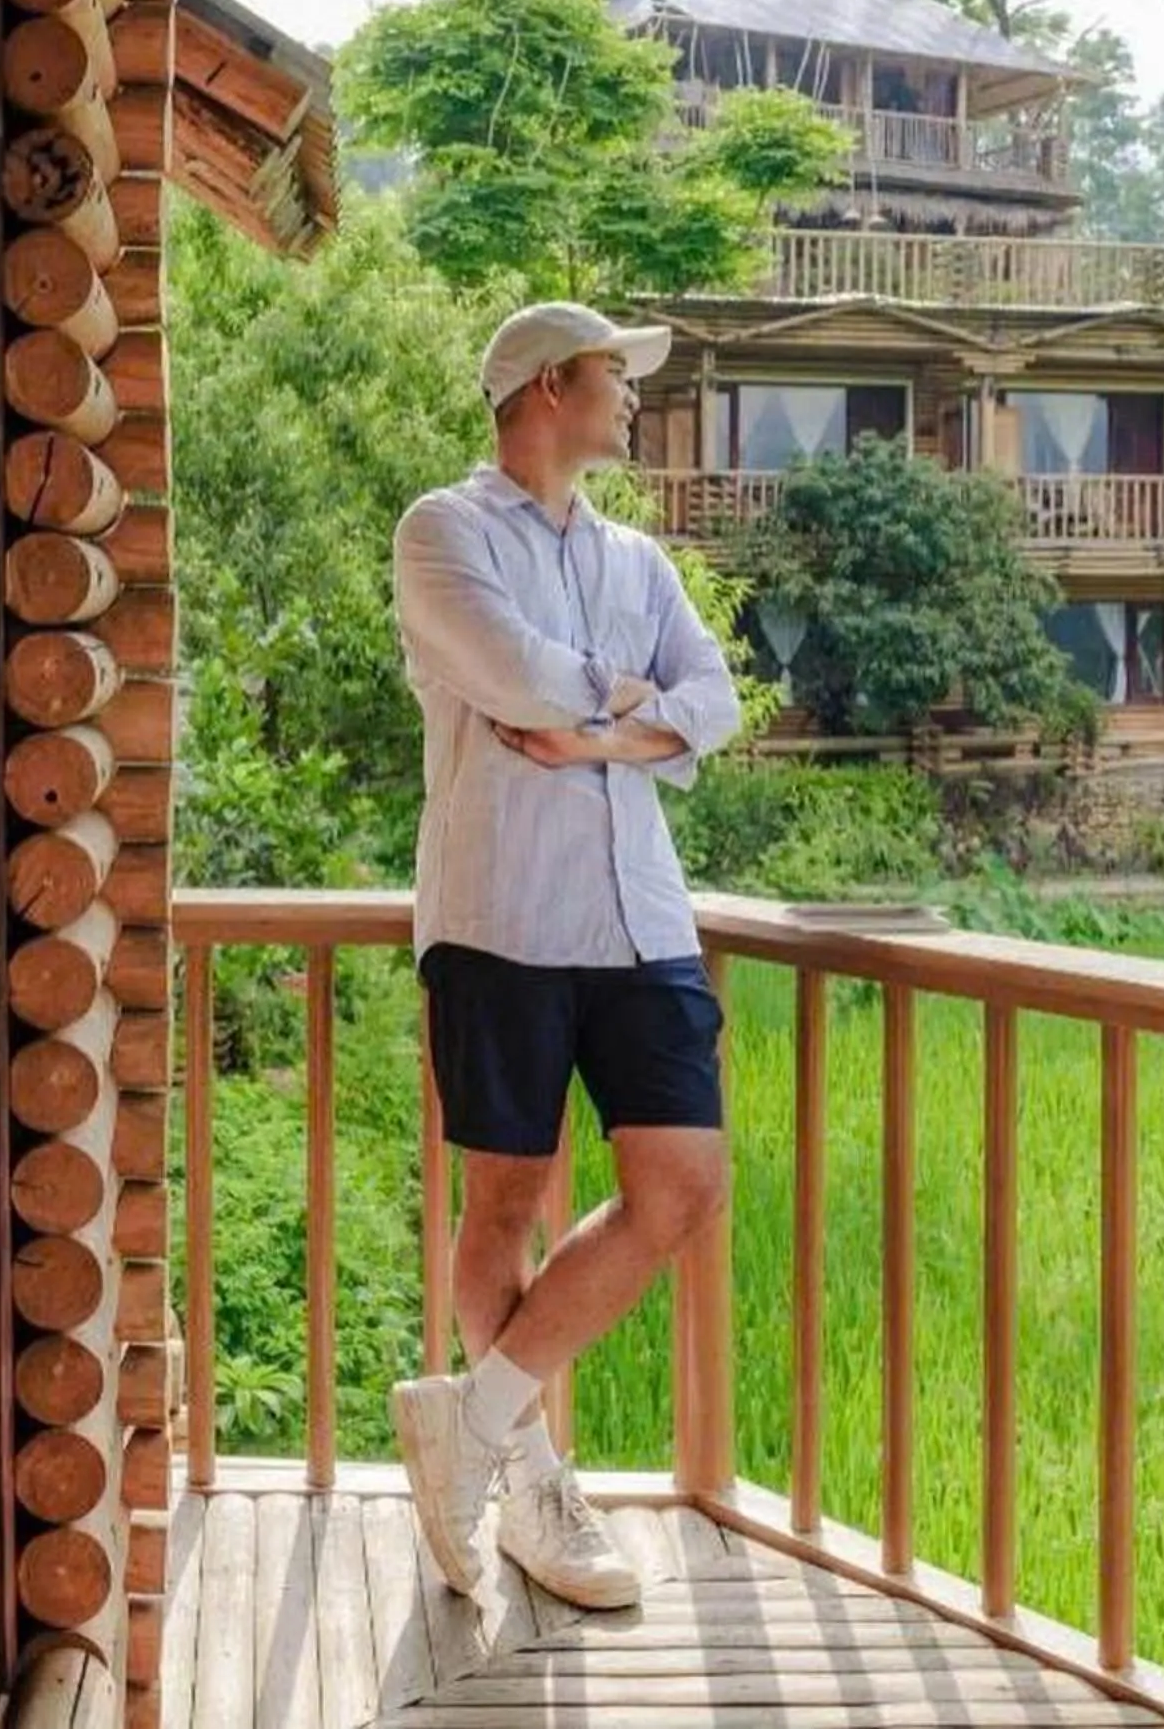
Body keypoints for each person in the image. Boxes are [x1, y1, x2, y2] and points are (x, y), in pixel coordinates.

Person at [387, 300, 743, 1609]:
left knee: (682, 1188)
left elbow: (716, 701)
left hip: (643, 919)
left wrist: (601, 734)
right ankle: (532, 1483)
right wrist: (631, 700)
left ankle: (465, 1426)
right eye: (614, 375)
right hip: (503, 919)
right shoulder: (443, 532)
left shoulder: (638, 560)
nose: (631, 397)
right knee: (505, 1202)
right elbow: (515, 676)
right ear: (545, 387)